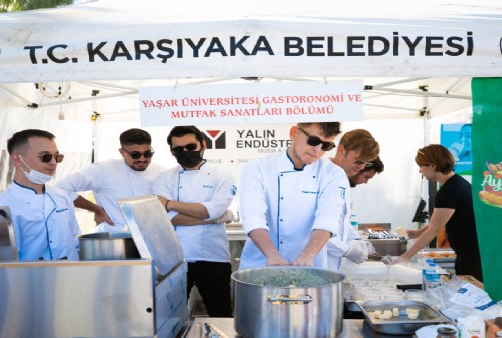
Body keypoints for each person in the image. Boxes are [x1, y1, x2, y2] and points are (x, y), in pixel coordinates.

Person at [238, 122, 348, 269]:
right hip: (261, 264)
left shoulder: (333, 174)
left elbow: (327, 219)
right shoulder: (258, 168)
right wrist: (272, 255)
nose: (318, 150)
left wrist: (307, 256)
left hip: (309, 267)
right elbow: (253, 217)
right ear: (294, 133)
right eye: (314, 141)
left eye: (326, 146)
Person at [152, 125, 236, 317]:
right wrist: (212, 219)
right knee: (170, 317)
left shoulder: (223, 176)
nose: (185, 152)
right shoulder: (164, 178)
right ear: (172, 151)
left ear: (203, 145)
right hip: (175, 259)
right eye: (178, 149)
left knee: (220, 313)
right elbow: (167, 218)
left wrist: (170, 203)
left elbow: (212, 210)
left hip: (213, 257)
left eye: (191, 146)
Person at [0, 129, 80, 261]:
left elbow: (75, 237)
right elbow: (0, 263)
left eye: (57, 157)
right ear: (18, 160)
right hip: (30, 279)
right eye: (45, 157)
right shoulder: (0, 208)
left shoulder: (62, 196)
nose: (53, 162)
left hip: (70, 276)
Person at [395, 144, 482, 282]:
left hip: (472, 255)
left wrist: (405, 257)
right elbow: (439, 222)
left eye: (422, 166)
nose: (420, 171)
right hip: (469, 253)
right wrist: (418, 233)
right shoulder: (456, 184)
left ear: (433, 166)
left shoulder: (449, 191)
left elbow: (434, 229)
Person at [56, 128, 165, 232]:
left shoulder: (161, 172)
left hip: (152, 238)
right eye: (135, 155)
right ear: (122, 152)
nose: (142, 159)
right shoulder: (103, 169)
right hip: (115, 238)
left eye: (147, 154)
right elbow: (61, 188)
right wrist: (96, 209)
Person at [327, 129, 381, 271]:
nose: (361, 167)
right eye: (358, 161)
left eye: (366, 163)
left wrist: (358, 241)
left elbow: (341, 221)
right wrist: (346, 249)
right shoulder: (319, 176)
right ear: (340, 150)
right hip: (316, 263)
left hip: (333, 265)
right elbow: (308, 231)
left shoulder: (342, 178)